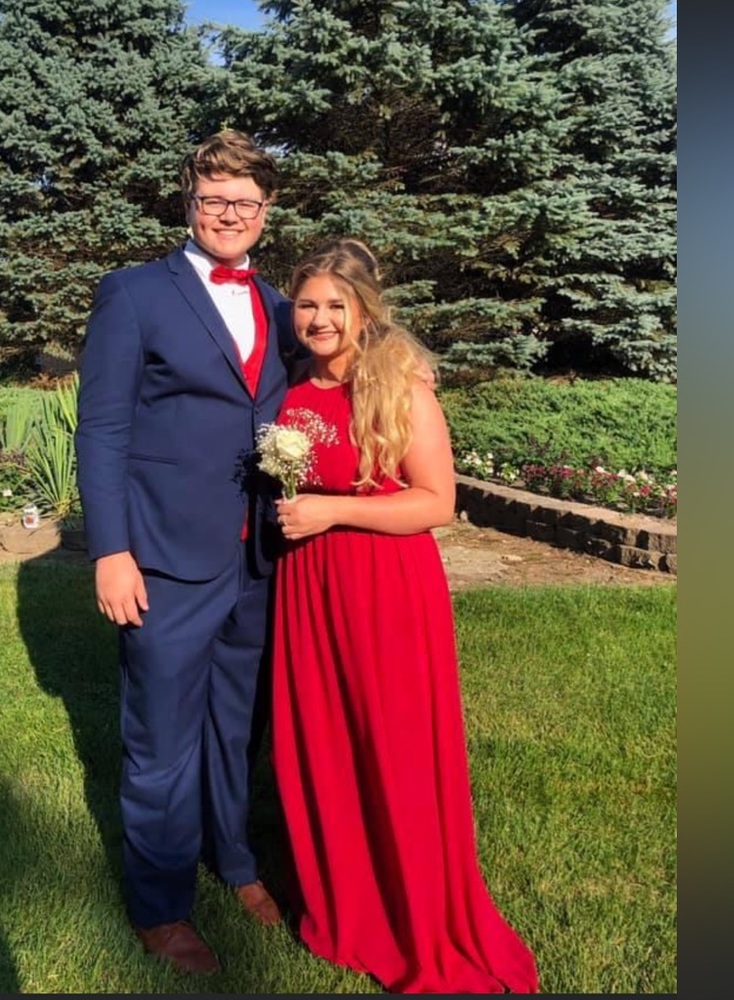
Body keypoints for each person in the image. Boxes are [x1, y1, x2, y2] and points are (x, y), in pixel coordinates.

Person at [268, 239, 540, 993]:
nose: (319, 319)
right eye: (308, 305)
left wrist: (330, 511)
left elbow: (437, 503)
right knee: (324, 743)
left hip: (384, 590)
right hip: (309, 589)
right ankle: (344, 906)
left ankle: (417, 915)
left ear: (364, 312)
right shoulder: (294, 386)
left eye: (335, 306)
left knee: (393, 749)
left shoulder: (399, 386)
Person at [74, 129, 296, 976]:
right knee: (162, 736)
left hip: (257, 556)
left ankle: (232, 860)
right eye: (214, 199)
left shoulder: (281, 304)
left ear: (266, 213)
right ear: (188, 203)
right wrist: (111, 550)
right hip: (163, 555)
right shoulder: (134, 293)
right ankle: (160, 905)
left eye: (245, 201)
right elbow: (104, 428)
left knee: (235, 725)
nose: (229, 213)